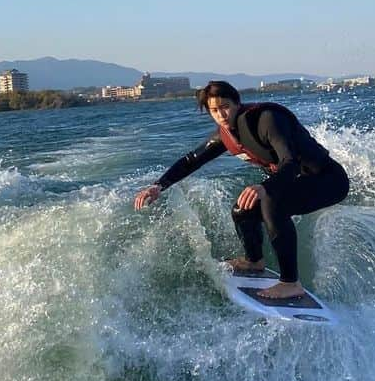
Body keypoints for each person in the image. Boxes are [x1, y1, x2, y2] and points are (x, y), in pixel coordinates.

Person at [134, 80, 349, 302]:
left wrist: (264, 187)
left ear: (237, 103)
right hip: (295, 182)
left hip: (329, 180)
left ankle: (290, 283)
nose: (221, 115)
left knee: (272, 202)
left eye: (225, 106)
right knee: (242, 210)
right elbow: (191, 160)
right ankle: (254, 261)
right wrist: (159, 185)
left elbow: (290, 161)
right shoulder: (226, 135)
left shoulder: (267, 120)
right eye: (214, 110)